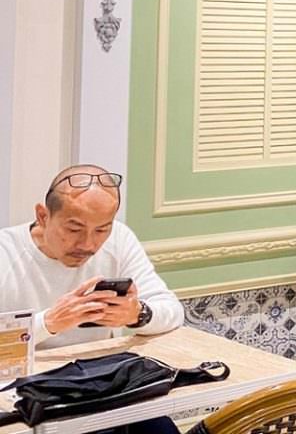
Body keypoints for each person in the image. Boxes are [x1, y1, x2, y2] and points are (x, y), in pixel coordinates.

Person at [0, 165, 186, 434]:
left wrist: (137, 314)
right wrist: (48, 323)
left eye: (101, 230)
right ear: (43, 216)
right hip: (25, 397)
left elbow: (172, 311)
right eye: (74, 228)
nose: (88, 244)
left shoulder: (120, 239)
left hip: (100, 387)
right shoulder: (6, 252)